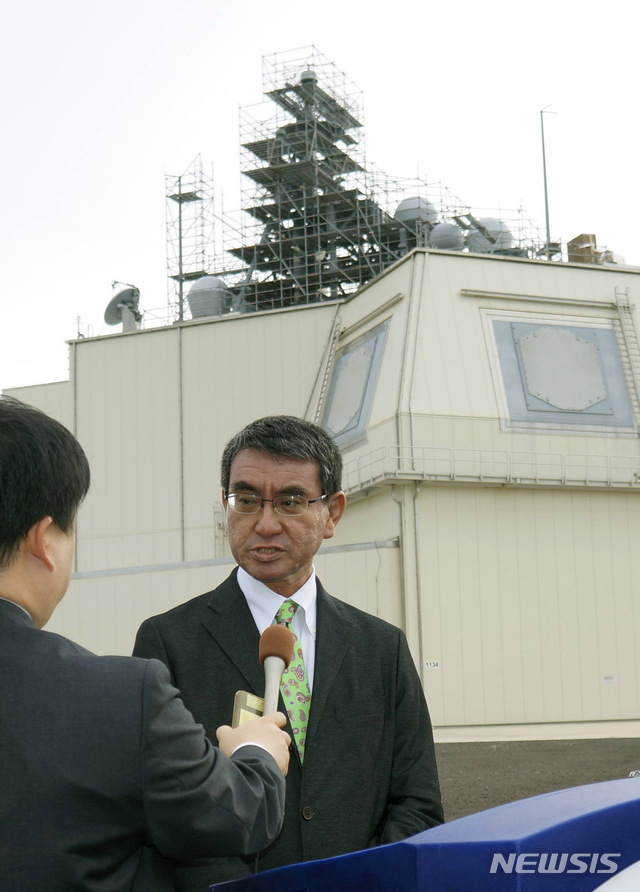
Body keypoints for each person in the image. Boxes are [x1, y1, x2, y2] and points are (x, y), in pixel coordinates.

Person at [134, 415, 444, 891]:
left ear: (333, 513)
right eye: (246, 500)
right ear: (226, 506)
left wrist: (367, 881)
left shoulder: (382, 649)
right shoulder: (168, 643)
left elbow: (417, 803)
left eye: (291, 501)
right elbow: (161, 811)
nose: (264, 522)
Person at [0, 396, 290, 892]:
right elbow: (235, 815)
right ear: (43, 540)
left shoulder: (381, 644)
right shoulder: (120, 694)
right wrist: (256, 754)